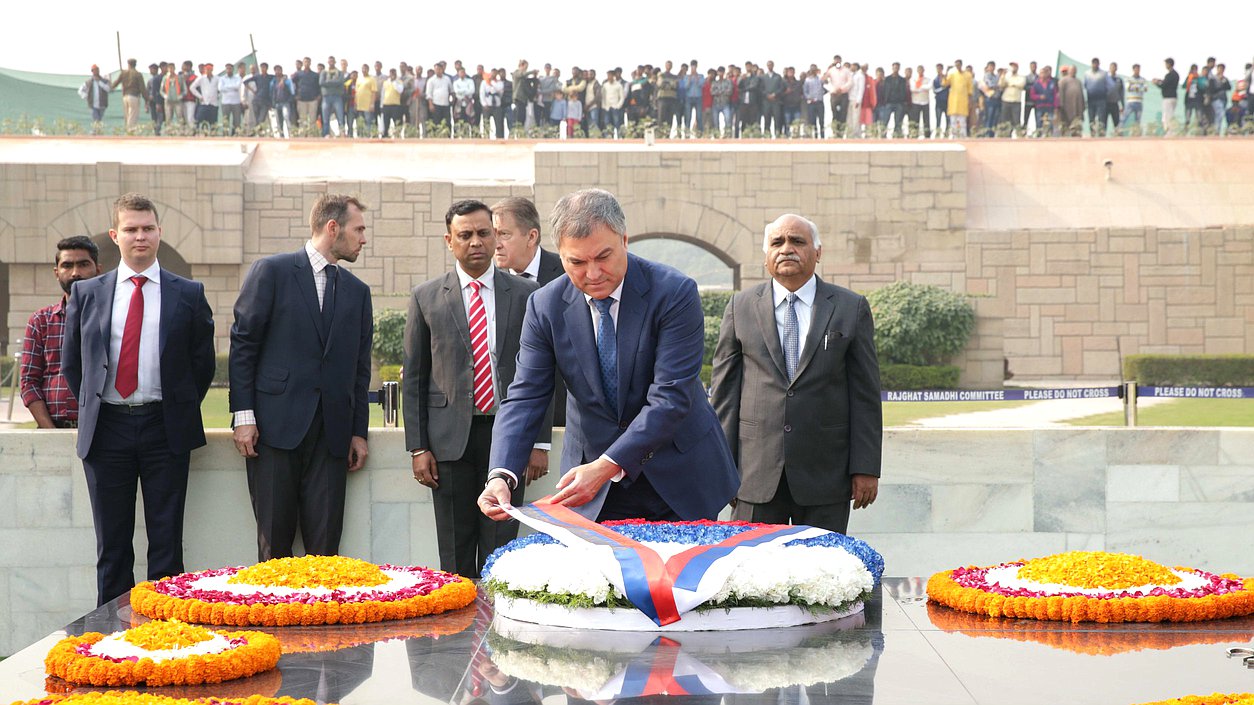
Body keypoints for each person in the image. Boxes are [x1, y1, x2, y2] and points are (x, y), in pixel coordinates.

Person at [478, 188, 739, 523]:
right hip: (592, 486)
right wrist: (501, 475)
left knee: (681, 575)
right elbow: (526, 394)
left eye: (603, 257)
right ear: (560, 253)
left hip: (678, 473)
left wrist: (607, 465)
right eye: (577, 262)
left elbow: (670, 397)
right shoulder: (545, 306)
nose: (593, 273)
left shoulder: (674, 293)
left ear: (625, 240)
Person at [62, 193, 215, 606]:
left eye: (148, 228)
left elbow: (202, 365)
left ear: (160, 233)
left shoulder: (188, 293)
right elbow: (74, 364)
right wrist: (96, 404)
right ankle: (112, 640)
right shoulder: (88, 294)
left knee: (166, 545)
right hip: (106, 430)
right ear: (116, 235)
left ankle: (166, 639)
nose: (140, 236)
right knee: (112, 546)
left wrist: (175, 405)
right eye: (131, 229)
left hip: (164, 429)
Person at [709, 214, 882, 534]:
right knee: (751, 573)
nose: (787, 249)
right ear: (766, 257)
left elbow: (866, 396)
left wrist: (866, 468)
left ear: (818, 252)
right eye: (777, 242)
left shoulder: (850, 307)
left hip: (826, 476)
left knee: (824, 574)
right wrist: (722, 470)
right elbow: (724, 397)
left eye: (797, 241)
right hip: (754, 475)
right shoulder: (740, 307)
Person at [403, 200, 547, 578]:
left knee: (503, 552)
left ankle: (498, 632)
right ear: (449, 241)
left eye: (485, 233)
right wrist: (418, 447)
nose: (477, 242)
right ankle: (456, 636)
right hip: (448, 443)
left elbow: (540, 374)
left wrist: (539, 442)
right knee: (454, 554)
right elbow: (415, 377)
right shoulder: (426, 297)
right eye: (465, 235)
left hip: (509, 438)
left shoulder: (526, 293)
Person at [229, 194, 373, 561]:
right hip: (273, 432)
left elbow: (359, 368)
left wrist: (358, 431)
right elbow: (244, 346)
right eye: (359, 229)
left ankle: (322, 619)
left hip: (333, 437)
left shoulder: (358, 292)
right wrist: (243, 417)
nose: (363, 238)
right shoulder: (271, 271)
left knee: (326, 552)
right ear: (332, 227)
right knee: (273, 549)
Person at [492, 196, 567, 426]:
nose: (495, 244)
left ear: (531, 236)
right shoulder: (488, 285)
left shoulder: (568, 274)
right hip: (506, 418)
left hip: (562, 417)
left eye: (504, 234)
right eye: (491, 234)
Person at [21, 236, 103, 430]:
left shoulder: (111, 318)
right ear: (57, 273)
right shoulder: (40, 321)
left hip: (104, 432)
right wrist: (50, 432)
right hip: (54, 427)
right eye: (67, 266)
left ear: (98, 270)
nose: (75, 273)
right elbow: (29, 383)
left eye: (83, 264)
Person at [112, 58, 146, 131]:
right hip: (134, 96)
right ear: (135, 64)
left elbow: (116, 83)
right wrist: (147, 99)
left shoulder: (123, 73)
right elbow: (142, 88)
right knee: (132, 115)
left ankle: (128, 129)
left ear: (128, 64)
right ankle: (130, 131)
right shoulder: (138, 74)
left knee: (127, 115)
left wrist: (110, 87)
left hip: (125, 96)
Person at [1154, 58, 1181, 134]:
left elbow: (1164, 85)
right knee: (1169, 115)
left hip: (1168, 98)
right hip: (1173, 97)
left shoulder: (1170, 74)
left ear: (1169, 64)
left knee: (1167, 117)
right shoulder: (1176, 74)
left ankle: (1170, 133)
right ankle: (1170, 132)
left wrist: (1156, 83)